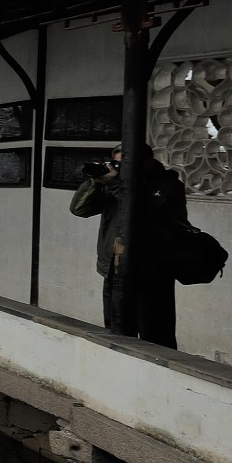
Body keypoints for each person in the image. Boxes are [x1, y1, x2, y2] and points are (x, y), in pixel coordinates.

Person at [69, 144, 188, 348]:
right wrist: (96, 182)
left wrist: (116, 183)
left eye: (124, 164)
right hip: (114, 272)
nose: (119, 168)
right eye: (116, 164)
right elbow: (79, 209)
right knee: (116, 334)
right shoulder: (116, 184)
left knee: (156, 338)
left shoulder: (167, 185)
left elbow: (142, 213)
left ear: (146, 163)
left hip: (152, 273)